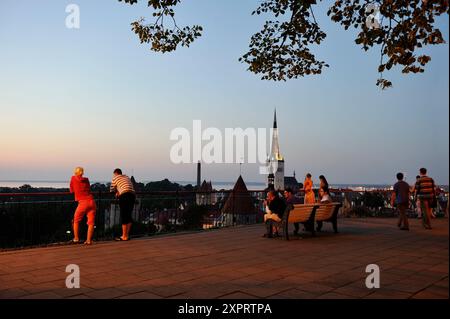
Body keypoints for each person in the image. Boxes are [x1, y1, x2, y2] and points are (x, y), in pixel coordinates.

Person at [69, 167, 96, 245]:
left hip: (83, 202)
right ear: (82, 172)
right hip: (91, 201)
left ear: (75, 172)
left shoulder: (73, 178)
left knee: (76, 220)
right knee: (91, 222)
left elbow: (71, 190)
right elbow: (89, 189)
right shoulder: (86, 179)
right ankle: (88, 241)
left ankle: (76, 238)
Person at [110, 168, 136, 241]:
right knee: (128, 215)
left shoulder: (115, 178)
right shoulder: (127, 177)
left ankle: (124, 236)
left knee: (124, 215)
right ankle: (126, 235)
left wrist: (117, 191)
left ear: (115, 173)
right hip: (132, 195)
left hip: (124, 196)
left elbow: (111, 189)